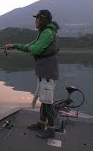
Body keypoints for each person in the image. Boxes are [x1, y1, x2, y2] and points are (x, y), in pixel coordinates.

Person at [5, 9, 60, 138]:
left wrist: (30, 47)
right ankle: (41, 123)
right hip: (43, 73)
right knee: (44, 99)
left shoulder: (47, 33)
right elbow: (30, 46)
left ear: (42, 20)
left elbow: (35, 49)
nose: (35, 21)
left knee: (48, 102)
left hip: (47, 73)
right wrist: (14, 45)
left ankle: (51, 129)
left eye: (37, 18)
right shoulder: (43, 33)